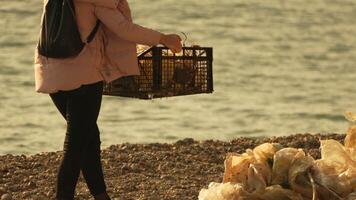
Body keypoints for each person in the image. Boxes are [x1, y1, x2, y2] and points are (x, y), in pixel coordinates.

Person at [33, 0, 182, 199]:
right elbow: (124, 29)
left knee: (88, 138)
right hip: (84, 77)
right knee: (75, 145)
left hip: (50, 75)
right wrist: (164, 38)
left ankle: (102, 196)